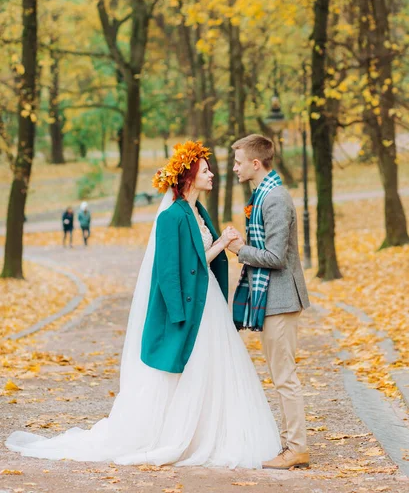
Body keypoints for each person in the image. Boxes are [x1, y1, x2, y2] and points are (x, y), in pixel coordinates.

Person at [6, 141, 281, 468]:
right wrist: (219, 246)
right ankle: (177, 433)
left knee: (212, 370)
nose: (212, 174)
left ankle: (210, 431)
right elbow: (170, 272)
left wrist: (221, 243)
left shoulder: (198, 211)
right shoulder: (172, 216)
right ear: (190, 176)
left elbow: (197, 264)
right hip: (190, 308)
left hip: (208, 304)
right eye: (206, 170)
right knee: (190, 370)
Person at [227, 134, 310, 470]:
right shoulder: (264, 195)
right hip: (274, 298)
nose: (234, 167)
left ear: (255, 164)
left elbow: (275, 257)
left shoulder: (274, 198)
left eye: (238, 161)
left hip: (280, 299)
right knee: (282, 373)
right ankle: (294, 445)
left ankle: (297, 449)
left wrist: (239, 250)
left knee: (284, 376)